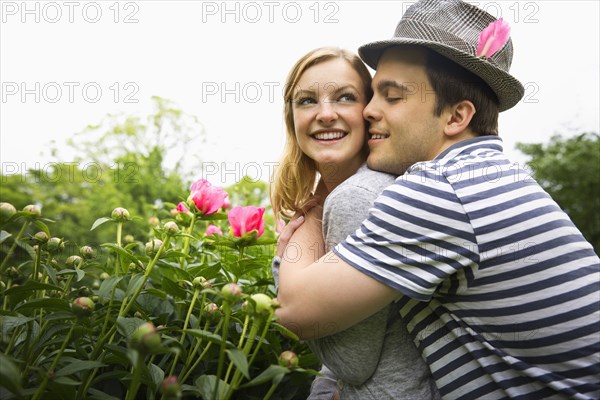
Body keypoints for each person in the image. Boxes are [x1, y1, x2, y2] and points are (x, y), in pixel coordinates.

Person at [275, 1, 600, 399]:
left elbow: (295, 312)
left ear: (455, 117)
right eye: (373, 93)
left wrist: (312, 214)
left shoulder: (441, 191)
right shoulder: (488, 176)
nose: (369, 111)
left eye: (391, 97)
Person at [270, 47, 439, 399]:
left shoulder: (359, 197)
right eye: (307, 101)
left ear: (368, 112)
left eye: (345, 98)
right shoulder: (345, 194)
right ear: (292, 118)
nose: (325, 114)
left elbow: (351, 363)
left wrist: (285, 260)